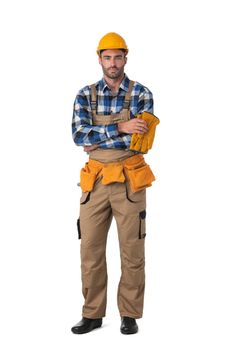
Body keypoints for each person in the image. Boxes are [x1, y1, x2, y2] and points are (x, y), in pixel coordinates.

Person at [71, 32, 159, 335]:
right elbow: (78, 136)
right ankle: (92, 313)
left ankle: (129, 314)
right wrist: (121, 126)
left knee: (132, 251)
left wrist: (99, 135)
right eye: (107, 57)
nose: (112, 63)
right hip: (94, 183)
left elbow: (141, 141)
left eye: (117, 57)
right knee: (90, 251)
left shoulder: (142, 94)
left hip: (130, 181)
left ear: (126, 58)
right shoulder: (84, 95)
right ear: (99, 59)